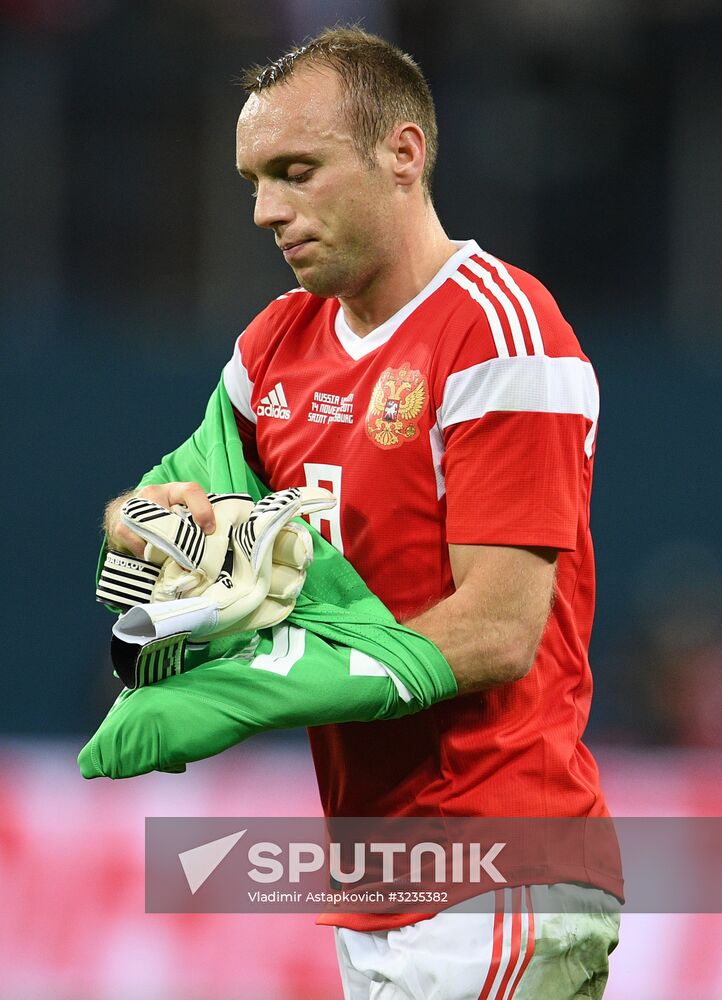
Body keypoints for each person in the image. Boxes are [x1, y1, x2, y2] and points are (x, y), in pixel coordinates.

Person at [102, 26, 621, 1000]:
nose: (266, 211)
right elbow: (157, 504)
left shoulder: (497, 329)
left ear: (402, 153)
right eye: (254, 180)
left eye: (297, 171)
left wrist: (273, 678)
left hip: (500, 865)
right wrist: (159, 531)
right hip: (379, 877)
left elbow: (501, 629)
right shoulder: (273, 348)